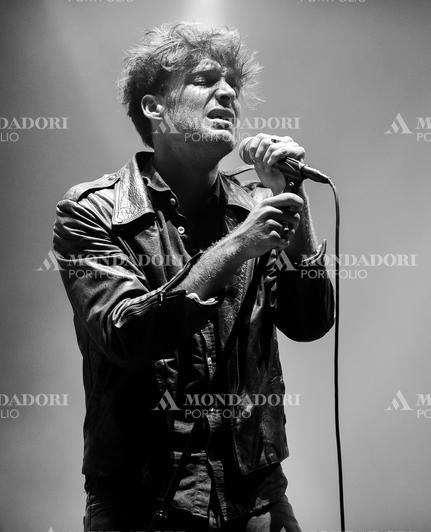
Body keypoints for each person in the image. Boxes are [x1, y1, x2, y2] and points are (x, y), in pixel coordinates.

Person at [52, 22, 334, 531]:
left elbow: (310, 321)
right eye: (205, 80)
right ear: (154, 108)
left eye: (232, 84)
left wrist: (294, 201)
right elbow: (127, 333)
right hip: (142, 503)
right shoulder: (93, 212)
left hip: (257, 498)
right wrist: (239, 244)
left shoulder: (252, 207)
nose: (227, 93)